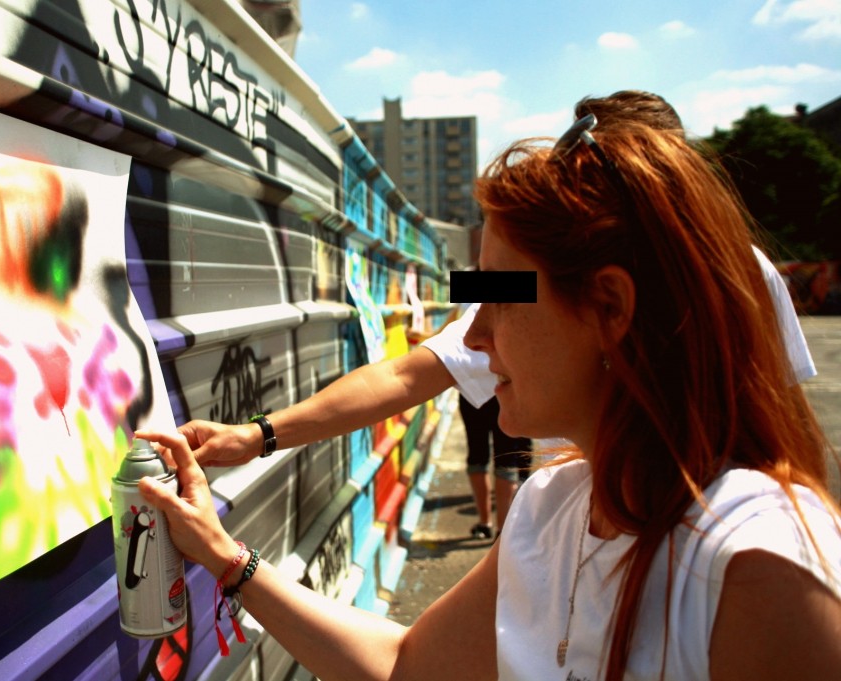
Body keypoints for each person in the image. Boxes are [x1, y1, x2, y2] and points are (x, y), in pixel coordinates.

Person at [136, 113, 841, 679]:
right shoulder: (548, 510)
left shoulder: (757, 572)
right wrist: (227, 555)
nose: (472, 338)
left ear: (610, 307)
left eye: (501, 296)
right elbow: (406, 664)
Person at [176, 91, 815, 483]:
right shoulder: (556, 512)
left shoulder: (743, 270)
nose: (482, 332)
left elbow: (782, 426)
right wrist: (257, 436)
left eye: (606, 164)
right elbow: (410, 373)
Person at [459, 393, 529, 539]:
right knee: (504, 460)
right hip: (504, 394)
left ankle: (486, 524)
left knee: (479, 457)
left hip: (472, 392)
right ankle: (501, 531)